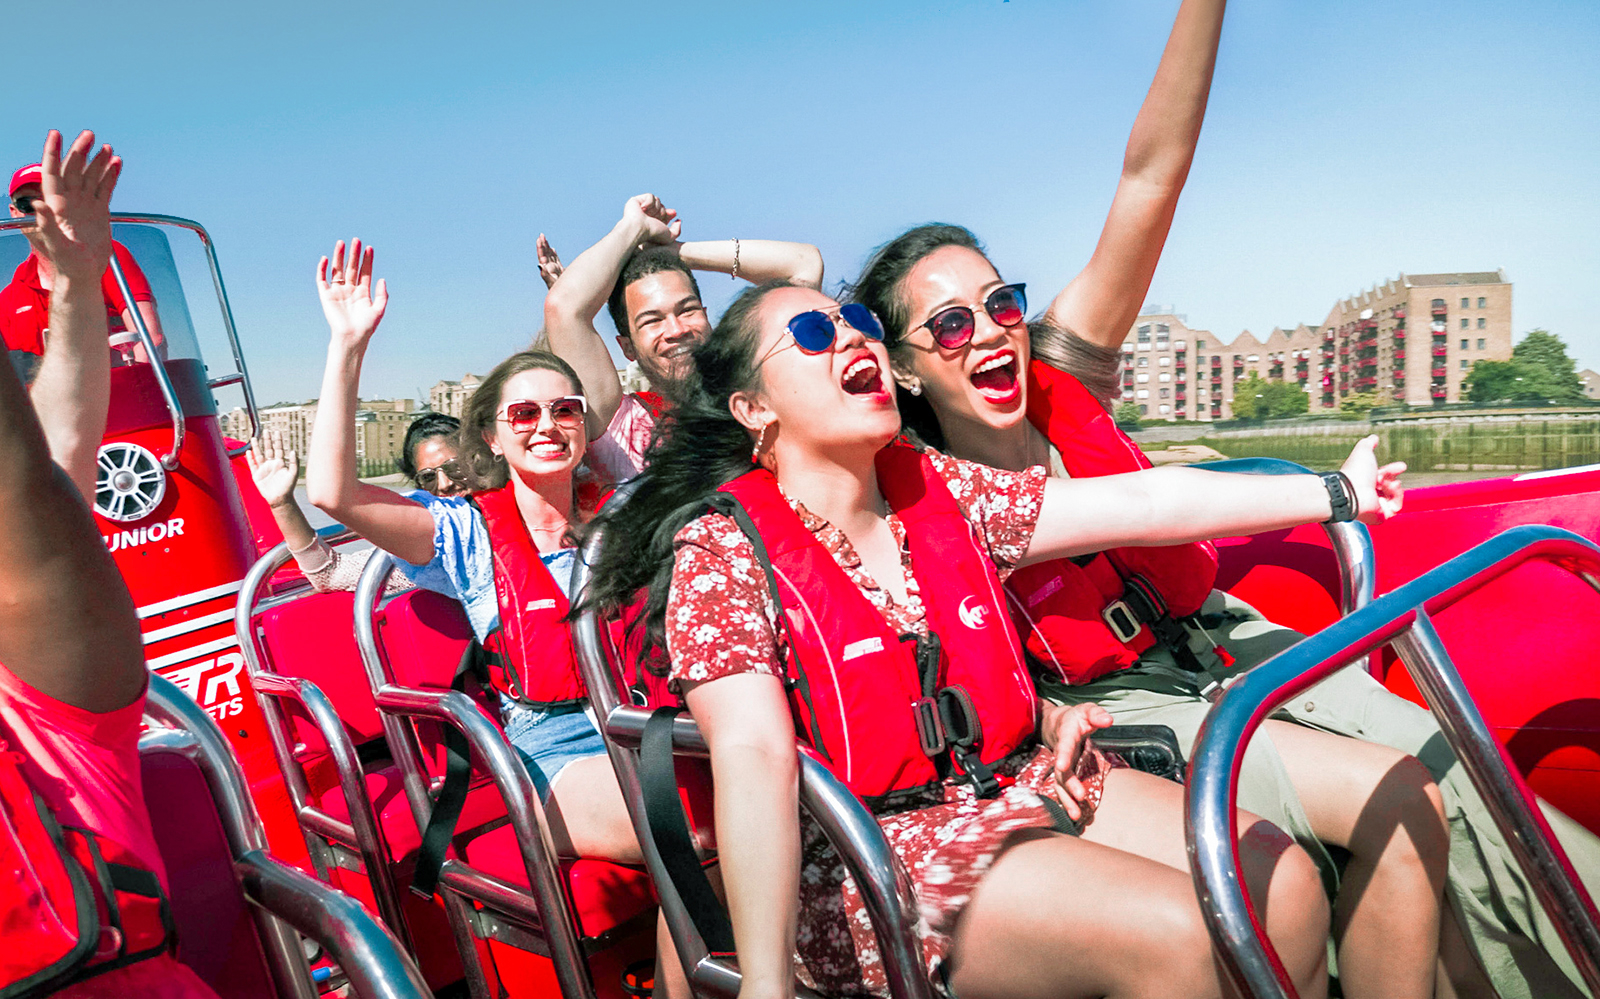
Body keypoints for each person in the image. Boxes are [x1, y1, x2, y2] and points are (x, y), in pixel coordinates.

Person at [846, 3, 1600, 996]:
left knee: (1456, 762)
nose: (990, 332)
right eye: (948, 323)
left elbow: (1149, 173)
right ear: (902, 367)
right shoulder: (922, 494)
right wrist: (1326, 490)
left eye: (1001, 304)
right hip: (1117, 706)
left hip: (1216, 634)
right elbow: (1149, 511)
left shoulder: (1062, 373)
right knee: (1397, 793)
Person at [578, 280, 1448, 999]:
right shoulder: (723, 549)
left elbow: (1141, 506)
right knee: (1182, 937)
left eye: (862, 326)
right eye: (813, 330)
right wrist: (764, 987)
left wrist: (1337, 493)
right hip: (870, 849)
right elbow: (755, 760)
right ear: (752, 408)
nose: (855, 341)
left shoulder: (942, 491)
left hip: (1021, 782)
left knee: (1284, 884)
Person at [302, 239, 691, 997]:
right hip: (551, 747)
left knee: (772, 788)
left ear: (585, 425)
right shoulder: (463, 532)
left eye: (564, 409)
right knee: (697, 821)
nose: (546, 423)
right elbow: (333, 493)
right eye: (525, 412)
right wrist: (347, 345)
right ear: (493, 433)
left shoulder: (627, 508)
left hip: (652, 720)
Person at [0, 128, 216, 998]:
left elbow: (42, 472)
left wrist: (81, 285)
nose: (28, 218)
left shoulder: (41, 709)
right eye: (20, 209)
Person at [543, 195, 824, 481]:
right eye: (652, 320)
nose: (677, 330)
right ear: (627, 347)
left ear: (706, 315)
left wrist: (672, 252)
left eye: (687, 310)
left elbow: (804, 265)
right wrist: (631, 229)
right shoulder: (619, 426)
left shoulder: (759, 391)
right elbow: (564, 307)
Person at [246, 412, 464, 594]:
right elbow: (329, 574)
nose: (444, 484)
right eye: (428, 477)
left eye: (455, 468)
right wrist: (282, 503)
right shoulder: (424, 556)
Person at [3, 160, 165, 377]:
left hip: (123, 401)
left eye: (49, 200)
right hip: (45, 409)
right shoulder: (8, 300)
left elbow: (150, 339)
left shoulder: (105, 257)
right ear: (14, 213)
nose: (41, 211)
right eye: (28, 205)